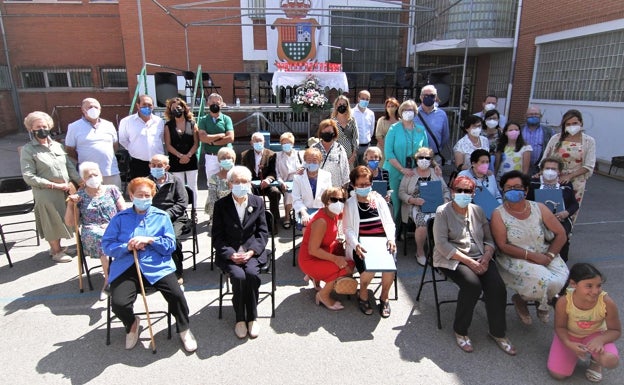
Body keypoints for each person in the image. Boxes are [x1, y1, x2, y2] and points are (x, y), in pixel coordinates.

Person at [101, 177, 197, 352]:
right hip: (127, 266)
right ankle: (132, 324)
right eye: (140, 195)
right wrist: (126, 246)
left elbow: (170, 246)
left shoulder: (161, 217)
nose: (144, 198)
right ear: (131, 195)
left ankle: (184, 329)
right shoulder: (119, 218)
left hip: (157, 265)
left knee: (177, 295)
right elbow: (107, 246)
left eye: (147, 195)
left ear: (152, 196)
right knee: (119, 303)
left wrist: (151, 240)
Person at [433, 175, 515, 355]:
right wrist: (469, 262)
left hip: (480, 256)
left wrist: (486, 256)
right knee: (472, 285)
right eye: (459, 190)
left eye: (467, 191)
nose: (463, 194)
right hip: (452, 258)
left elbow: (488, 238)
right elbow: (441, 244)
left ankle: (498, 332)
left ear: (473, 193)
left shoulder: (477, 210)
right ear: (453, 192)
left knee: (497, 287)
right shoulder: (442, 212)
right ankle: (460, 330)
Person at [491, 170, 569, 325]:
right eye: (508, 188)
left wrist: (550, 256)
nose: (513, 190)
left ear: (526, 190)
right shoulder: (498, 214)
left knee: (563, 278)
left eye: (517, 187)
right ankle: (525, 300)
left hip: (545, 252)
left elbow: (561, 234)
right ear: (503, 191)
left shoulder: (538, 208)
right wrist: (532, 257)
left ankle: (537, 300)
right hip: (515, 256)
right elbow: (502, 245)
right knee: (544, 280)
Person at [212, 166, 269, 339]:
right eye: (236, 182)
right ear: (229, 184)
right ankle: (239, 318)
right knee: (238, 277)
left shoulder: (257, 202)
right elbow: (217, 236)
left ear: (250, 183)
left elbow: (263, 232)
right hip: (230, 253)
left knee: (251, 274)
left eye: (244, 181)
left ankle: (252, 317)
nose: (240, 185)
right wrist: (230, 254)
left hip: (252, 252)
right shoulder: (221, 205)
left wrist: (252, 251)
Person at [20, 111, 82, 263]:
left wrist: (81, 182)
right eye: (38, 126)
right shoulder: (28, 150)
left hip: (65, 190)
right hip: (47, 193)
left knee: (63, 218)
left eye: (44, 126)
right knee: (52, 221)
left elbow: (69, 167)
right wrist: (53, 185)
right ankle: (56, 251)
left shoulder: (57, 146)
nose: (42, 129)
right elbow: (28, 176)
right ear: (31, 129)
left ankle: (60, 247)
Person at [547, 263, 621, 382]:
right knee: (558, 375)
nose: (595, 291)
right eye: (589, 286)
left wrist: (600, 340)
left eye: (598, 285)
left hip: (595, 335)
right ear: (573, 284)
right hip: (570, 335)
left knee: (610, 360)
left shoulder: (606, 302)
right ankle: (570, 353)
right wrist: (568, 343)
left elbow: (615, 330)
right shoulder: (564, 301)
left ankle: (595, 361)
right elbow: (560, 327)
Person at [65, 162, 125, 300]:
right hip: (92, 229)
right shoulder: (80, 195)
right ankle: (109, 281)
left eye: (95, 174)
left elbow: (123, 211)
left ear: (101, 176)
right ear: (83, 180)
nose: (93, 178)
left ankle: (122, 275)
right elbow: (70, 222)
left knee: (112, 236)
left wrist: (114, 225)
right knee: (102, 239)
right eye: (88, 176)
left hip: (114, 225)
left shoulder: (112, 190)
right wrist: (70, 205)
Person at [344, 166, 396, 317]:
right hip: (362, 245)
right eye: (361, 185)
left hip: (382, 242)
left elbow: (389, 223)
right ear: (353, 186)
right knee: (370, 268)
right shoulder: (350, 204)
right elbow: (348, 229)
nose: (365, 187)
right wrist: (356, 244)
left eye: (367, 184)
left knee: (389, 268)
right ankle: (363, 293)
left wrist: (391, 240)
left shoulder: (378, 199)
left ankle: (384, 296)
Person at [298, 186, 358, 310]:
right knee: (346, 269)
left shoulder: (333, 214)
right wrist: (336, 259)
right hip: (310, 259)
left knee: (350, 263)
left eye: (341, 200)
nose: (339, 203)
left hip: (323, 252)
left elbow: (352, 210)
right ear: (326, 201)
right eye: (334, 199)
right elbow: (312, 250)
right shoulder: (321, 221)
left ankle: (315, 277)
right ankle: (323, 295)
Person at [400, 147, 450, 265]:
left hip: (436, 206)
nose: (424, 160)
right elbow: (401, 192)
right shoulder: (410, 174)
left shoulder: (436, 173)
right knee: (423, 223)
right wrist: (412, 200)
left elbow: (445, 190)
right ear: (416, 159)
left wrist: (445, 200)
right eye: (421, 157)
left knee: (444, 221)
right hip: (416, 206)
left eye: (427, 158)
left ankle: (440, 251)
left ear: (431, 160)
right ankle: (420, 251)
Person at [542, 109, 596, 214]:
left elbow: (589, 165)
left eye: (575, 123)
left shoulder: (589, 141)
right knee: (550, 208)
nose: (572, 126)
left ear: (581, 123)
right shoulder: (556, 138)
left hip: (576, 182)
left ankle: (567, 230)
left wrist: (569, 176)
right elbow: (545, 158)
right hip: (553, 179)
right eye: (568, 124)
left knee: (569, 211)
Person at [147, 154, 190, 284]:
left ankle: (177, 273)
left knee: (173, 240)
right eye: (153, 165)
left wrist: (168, 214)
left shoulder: (175, 181)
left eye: (159, 165)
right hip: (153, 219)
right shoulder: (145, 182)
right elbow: (142, 202)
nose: (156, 168)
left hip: (175, 218)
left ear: (167, 167)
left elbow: (182, 203)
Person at [527, 157, 578, 262]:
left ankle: (561, 260)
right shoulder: (533, 183)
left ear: (559, 171)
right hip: (537, 218)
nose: (550, 171)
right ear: (541, 170)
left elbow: (574, 204)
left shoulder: (566, 184)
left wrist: (566, 212)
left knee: (562, 233)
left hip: (561, 219)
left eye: (554, 169)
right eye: (547, 168)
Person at [384, 99, 429, 219]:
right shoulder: (394, 128)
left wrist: (433, 166)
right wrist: (402, 169)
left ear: (415, 112)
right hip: (394, 171)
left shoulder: (421, 130)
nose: (408, 112)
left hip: (413, 173)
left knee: (410, 202)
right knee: (395, 203)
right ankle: (394, 232)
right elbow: (388, 153)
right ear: (400, 111)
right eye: (405, 110)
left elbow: (426, 152)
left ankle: (406, 231)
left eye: (410, 110)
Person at [65, 97, 121, 189]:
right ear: (83, 110)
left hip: (110, 171)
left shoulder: (109, 125)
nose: (93, 109)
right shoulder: (74, 127)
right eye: (90, 107)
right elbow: (70, 150)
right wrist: (83, 161)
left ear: (100, 109)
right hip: (89, 174)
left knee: (114, 199)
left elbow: (114, 146)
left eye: (96, 107)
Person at [239, 132, 281, 231]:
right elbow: (242, 171)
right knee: (247, 193)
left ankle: (273, 220)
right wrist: (248, 181)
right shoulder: (245, 155)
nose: (258, 143)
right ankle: (253, 221)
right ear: (251, 142)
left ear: (264, 142)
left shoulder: (271, 154)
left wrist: (268, 179)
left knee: (275, 192)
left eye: (260, 141)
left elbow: (273, 171)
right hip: (251, 183)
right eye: (256, 141)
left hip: (266, 183)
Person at [118, 95, 165, 180]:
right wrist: (134, 149)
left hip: (158, 164)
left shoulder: (159, 121)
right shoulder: (127, 121)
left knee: (159, 189)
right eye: (144, 104)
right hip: (138, 163)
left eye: (150, 105)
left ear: (153, 106)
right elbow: (123, 140)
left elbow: (161, 138)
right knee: (140, 189)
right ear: (138, 106)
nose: (147, 107)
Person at [163, 97, 199, 207]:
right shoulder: (168, 125)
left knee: (193, 186)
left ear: (183, 108)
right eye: (173, 108)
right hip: (175, 160)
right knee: (179, 186)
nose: (176, 110)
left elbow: (196, 143)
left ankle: (194, 209)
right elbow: (168, 145)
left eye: (178, 107)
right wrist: (180, 156)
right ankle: (182, 209)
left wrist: (188, 155)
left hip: (191, 159)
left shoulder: (192, 123)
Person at [197, 93, 234, 191]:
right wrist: (220, 135)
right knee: (212, 183)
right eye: (212, 102)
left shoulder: (226, 119)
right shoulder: (203, 120)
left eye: (217, 103)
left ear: (221, 104)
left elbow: (230, 138)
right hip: (211, 156)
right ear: (208, 104)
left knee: (229, 182)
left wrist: (213, 142)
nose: (215, 105)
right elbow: (203, 138)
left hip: (226, 157)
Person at [291, 148, 332, 227]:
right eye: (309, 160)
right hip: (305, 210)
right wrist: (303, 213)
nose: (312, 162)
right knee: (306, 226)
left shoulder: (327, 175)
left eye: (315, 160)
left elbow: (328, 196)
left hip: (321, 209)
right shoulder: (298, 178)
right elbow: (296, 199)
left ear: (320, 161)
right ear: (305, 161)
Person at [275, 132, 303, 229]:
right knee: (289, 193)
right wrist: (281, 182)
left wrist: (302, 170)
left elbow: (305, 168)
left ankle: (298, 214)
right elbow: (277, 173)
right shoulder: (278, 156)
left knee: (296, 191)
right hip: (285, 181)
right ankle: (287, 216)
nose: (286, 145)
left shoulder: (299, 154)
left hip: (298, 181)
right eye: (283, 143)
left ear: (292, 144)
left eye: (288, 143)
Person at [416, 85, 450, 164]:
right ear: (421, 97)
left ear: (435, 97)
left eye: (432, 96)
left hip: (435, 157)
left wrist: (437, 148)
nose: (429, 97)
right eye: (426, 95)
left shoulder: (442, 114)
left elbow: (445, 136)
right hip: (416, 157)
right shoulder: (414, 113)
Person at [313, 119, 350, 188]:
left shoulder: (339, 148)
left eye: (329, 131)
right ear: (320, 132)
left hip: (336, 187)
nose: (327, 133)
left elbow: (345, 169)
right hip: (318, 187)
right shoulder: (314, 148)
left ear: (334, 133)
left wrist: (344, 188)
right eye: (325, 131)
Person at [522, 105, 554, 176]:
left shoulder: (548, 131)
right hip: (521, 168)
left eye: (536, 114)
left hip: (540, 169)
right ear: (525, 116)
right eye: (530, 114)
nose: (533, 116)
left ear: (541, 116)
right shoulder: (519, 129)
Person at [205, 147, 236, 219]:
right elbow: (213, 200)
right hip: (220, 213)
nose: (226, 160)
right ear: (219, 160)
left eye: (229, 158)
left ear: (233, 160)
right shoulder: (214, 178)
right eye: (223, 158)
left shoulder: (240, 176)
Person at [331, 95, 359, 168]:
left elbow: (355, 138)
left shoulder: (352, 120)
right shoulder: (332, 122)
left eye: (344, 104)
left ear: (347, 106)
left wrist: (353, 155)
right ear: (336, 106)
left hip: (350, 156)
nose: (342, 106)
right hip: (336, 156)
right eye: (340, 104)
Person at [353, 90, 375, 164]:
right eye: (363, 98)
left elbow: (371, 130)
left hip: (366, 147)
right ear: (358, 98)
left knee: (365, 171)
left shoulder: (371, 114)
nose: (365, 101)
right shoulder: (351, 113)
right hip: (354, 148)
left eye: (367, 99)